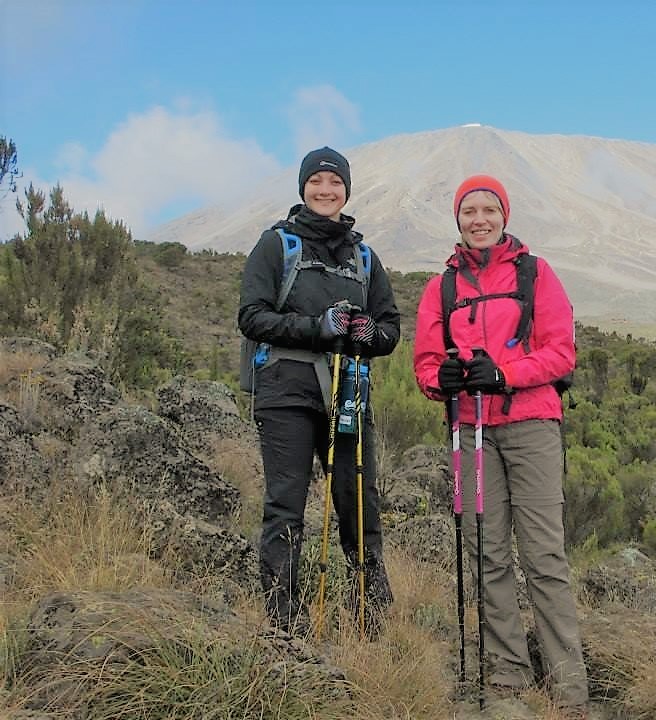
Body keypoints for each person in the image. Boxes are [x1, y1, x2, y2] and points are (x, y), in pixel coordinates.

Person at [413, 175, 589, 714]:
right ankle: (509, 677)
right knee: (485, 552)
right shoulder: (441, 287)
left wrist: (505, 374)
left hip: (531, 426)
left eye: (489, 209)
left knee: (543, 556)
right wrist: (439, 380)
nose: (480, 219)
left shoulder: (536, 274)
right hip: (469, 432)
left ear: (504, 216)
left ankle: (568, 687)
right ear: (458, 219)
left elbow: (561, 352)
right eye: (469, 211)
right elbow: (426, 362)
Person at [238, 147, 400, 637]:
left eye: (335, 182)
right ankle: (285, 624)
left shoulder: (364, 257)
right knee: (286, 505)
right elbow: (251, 316)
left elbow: (390, 329)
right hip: (285, 394)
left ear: (346, 190)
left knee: (359, 505)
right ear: (303, 187)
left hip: (348, 396)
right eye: (317, 181)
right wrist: (317, 327)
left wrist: (368, 333)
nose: (325, 190)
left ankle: (372, 621)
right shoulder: (277, 245)